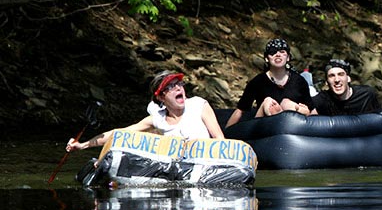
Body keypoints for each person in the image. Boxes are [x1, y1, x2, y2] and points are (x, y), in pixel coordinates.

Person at [66, 70, 223, 151]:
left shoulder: (199, 105)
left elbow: (220, 140)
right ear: (161, 97)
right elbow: (119, 134)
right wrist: (83, 145)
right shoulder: (157, 119)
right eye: (170, 87)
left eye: (179, 84)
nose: (177, 88)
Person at [226, 38, 314, 127]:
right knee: (269, 103)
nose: (278, 55)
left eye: (282, 52)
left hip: (292, 124)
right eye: (273, 52)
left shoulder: (299, 81)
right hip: (264, 126)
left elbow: (310, 110)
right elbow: (240, 110)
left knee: (287, 104)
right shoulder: (257, 82)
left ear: (288, 58)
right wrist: (225, 134)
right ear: (267, 59)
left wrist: (297, 108)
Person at [311, 58, 382, 116]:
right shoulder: (323, 99)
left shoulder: (367, 94)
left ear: (348, 78)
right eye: (331, 76)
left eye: (341, 74)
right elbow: (305, 109)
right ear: (326, 82)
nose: (337, 80)